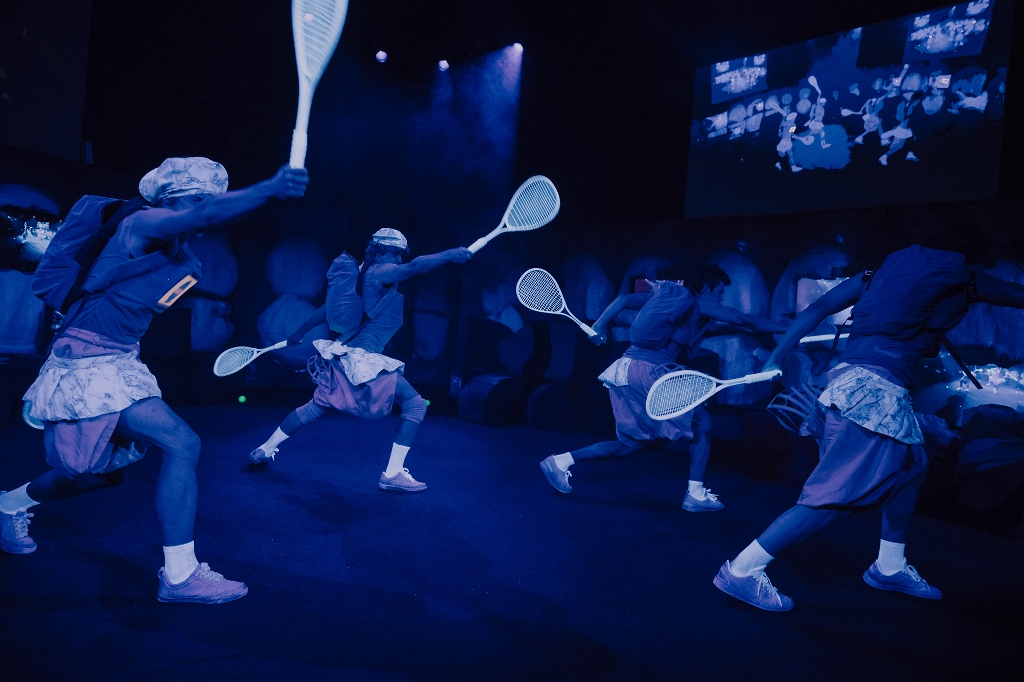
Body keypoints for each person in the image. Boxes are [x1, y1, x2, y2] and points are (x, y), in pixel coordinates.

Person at [0, 157, 308, 604]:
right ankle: (179, 577)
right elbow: (204, 216)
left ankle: (9, 504)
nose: (208, 208)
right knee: (182, 444)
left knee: (97, 476)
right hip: (87, 359)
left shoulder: (179, 252)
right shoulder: (141, 224)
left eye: (213, 199)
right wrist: (269, 187)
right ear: (174, 198)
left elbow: (201, 220)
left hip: (118, 358)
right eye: (199, 199)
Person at [714, 233, 1024, 612]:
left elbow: (816, 309)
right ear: (970, 258)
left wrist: (776, 356)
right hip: (875, 394)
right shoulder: (966, 279)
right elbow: (1015, 293)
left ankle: (889, 566)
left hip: (846, 381)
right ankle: (743, 569)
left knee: (912, 466)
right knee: (834, 496)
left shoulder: (875, 275)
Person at [539, 265, 788, 510]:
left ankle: (560, 461)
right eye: (720, 293)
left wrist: (600, 325)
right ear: (705, 289)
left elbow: (625, 299)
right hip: (649, 373)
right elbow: (747, 320)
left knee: (627, 446)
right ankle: (695, 494)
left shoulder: (672, 303)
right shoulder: (700, 302)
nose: (721, 299)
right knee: (702, 423)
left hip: (626, 369)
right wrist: (792, 329)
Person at [248, 229, 472, 492]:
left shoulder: (359, 273)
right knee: (415, 405)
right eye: (397, 254)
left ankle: (265, 448)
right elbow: (414, 268)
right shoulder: (380, 272)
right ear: (382, 251)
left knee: (313, 408)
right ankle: (392, 474)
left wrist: (299, 332)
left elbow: (327, 309)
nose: (399, 260)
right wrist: (449, 255)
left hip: (342, 356)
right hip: (362, 360)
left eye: (401, 255)